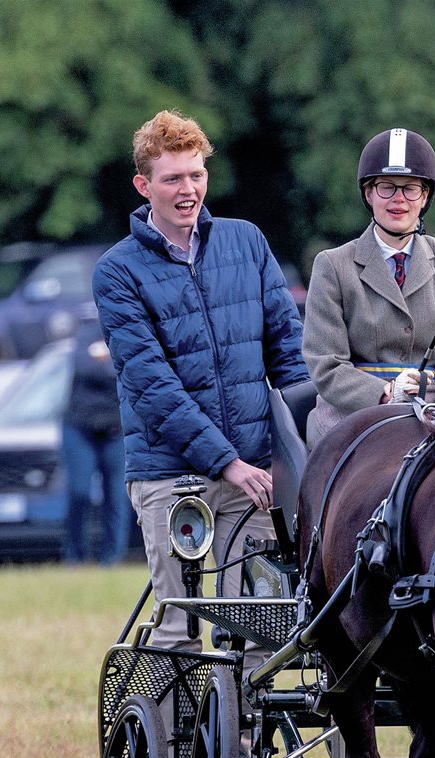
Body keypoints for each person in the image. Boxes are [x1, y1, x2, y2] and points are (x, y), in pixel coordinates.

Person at [92, 109, 310, 653]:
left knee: (262, 625)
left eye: (196, 175)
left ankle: (241, 740)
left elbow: (288, 354)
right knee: (178, 632)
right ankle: (181, 741)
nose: (188, 190)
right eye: (173, 179)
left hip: (253, 472)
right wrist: (225, 462)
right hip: (171, 474)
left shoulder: (247, 243)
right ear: (144, 186)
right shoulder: (117, 272)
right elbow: (152, 387)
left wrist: (315, 445)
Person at [302, 128, 435, 448]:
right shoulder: (332, 265)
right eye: (386, 188)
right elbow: (326, 363)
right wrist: (384, 393)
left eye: (411, 189)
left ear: (426, 196)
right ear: (369, 194)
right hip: (351, 415)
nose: (399, 199)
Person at [61, 325, 131, 565]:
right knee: (79, 492)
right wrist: (114, 364)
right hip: (79, 428)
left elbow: (132, 368)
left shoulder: (128, 331)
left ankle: (112, 559)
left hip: (115, 430)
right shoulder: (85, 332)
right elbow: (83, 365)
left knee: (116, 496)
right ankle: (75, 558)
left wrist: (106, 361)